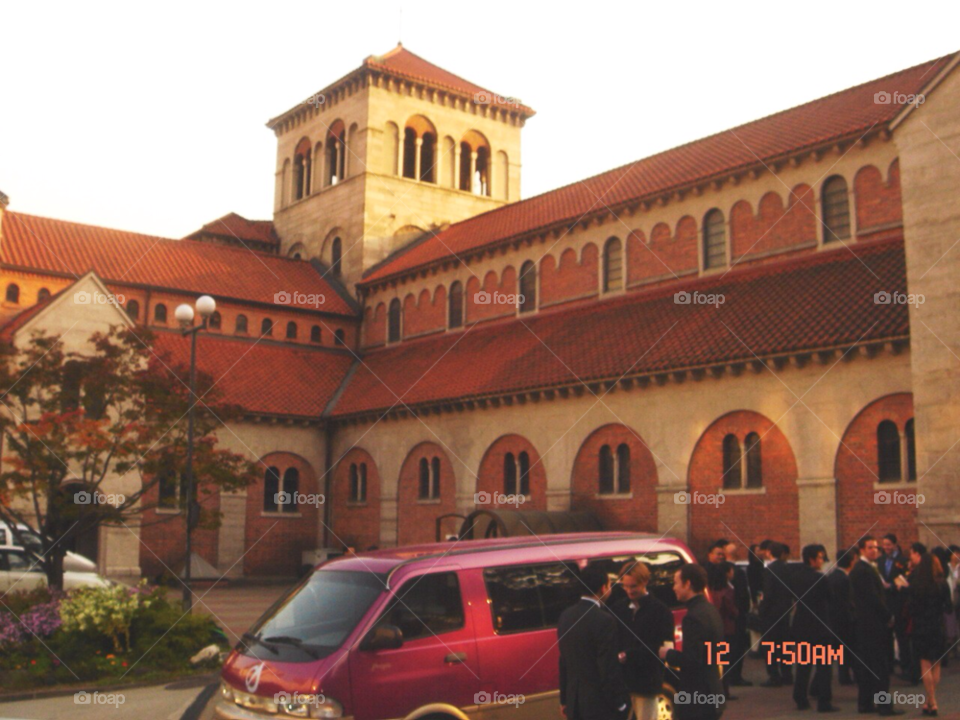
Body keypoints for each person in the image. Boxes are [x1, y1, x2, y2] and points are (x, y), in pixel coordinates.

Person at [558, 565, 631, 720]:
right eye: (610, 585)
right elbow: (607, 667)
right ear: (603, 588)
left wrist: (564, 699)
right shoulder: (604, 620)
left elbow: (563, 661)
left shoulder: (565, 616)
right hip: (599, 705)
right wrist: (619, 703)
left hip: (575, 702)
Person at [611, 561, 675, 720]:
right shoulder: (619, 609)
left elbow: (662, 649)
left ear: (644, 582)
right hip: (623, 683)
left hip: (647, 682)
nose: (629, 591)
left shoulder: (661, 611)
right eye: (625, 586)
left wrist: (629, 655)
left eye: (633, 586)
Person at [660, 564, 725, 720]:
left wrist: (667, 653)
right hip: (713, 689)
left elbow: (692, 660)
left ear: (687, 584)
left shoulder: (693, 617)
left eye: (676, 583)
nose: (673, 587)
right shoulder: (710, 610)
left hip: (698, 697)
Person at [850, 535, 901, 716]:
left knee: (868, 666)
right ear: (862, 550)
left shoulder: (865, 568)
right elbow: (873, 598)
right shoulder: (863, 570)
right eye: (870, 547)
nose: (875, 550)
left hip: (866, 625)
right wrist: (888, 615)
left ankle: (865, 703)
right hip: (872, 625)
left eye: (876, 547)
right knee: (879, 667)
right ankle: (884, 706)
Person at [789, 545, 839, 712]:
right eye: (819, 557)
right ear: (811, 559)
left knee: (803, 665)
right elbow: (831, 600)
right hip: (820, 626)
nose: (821, 561)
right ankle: (824, 702)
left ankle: (800, 698)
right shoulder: (820, 578)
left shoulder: (795, 577)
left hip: (801, 625)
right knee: (824, 666)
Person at [906, 544, 950, 717]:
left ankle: (931, 701)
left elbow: (911, 608)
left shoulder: (916, 583)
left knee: (925, 664)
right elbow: (948, 608)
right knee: (936, 665)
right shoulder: (942, 583)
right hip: (938, 626)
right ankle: (932, 701)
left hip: (921, 627)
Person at [758, 541, 794, 686]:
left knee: (771, 645)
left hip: (771, 613)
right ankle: (787, 674)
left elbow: (768, 593)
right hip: (785, 610)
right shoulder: (787, 569)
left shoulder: (769, 570)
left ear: (769, 552)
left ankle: (774, 675)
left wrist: (762, 610)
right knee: (785, 645)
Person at [721, 540, 753, 686]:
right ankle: (736, 676)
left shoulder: (718, 569)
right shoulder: (739, 572)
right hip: (737, 616)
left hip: (724, 617)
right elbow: (744, 595)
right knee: (737, 648)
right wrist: (743, 611)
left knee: (726, 648)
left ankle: (727, 676)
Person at [828, 545, 859, 686]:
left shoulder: (832, 576)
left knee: (839, 651)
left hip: (833, 619)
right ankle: (847, 675)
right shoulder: (845, 579)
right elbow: (847, 601)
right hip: (844, 620)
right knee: (848, 649)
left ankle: (844, 675)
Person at [880, 533, 910, 677]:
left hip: (898, 602)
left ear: (895, 544)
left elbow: (904, 579)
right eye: (884, 544)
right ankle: (888, 665)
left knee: (901, 635)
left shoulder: (903, 561)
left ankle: (905, 666)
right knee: (886, 636)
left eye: (888, 544)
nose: (886, 547)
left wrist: (891, 585)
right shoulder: (880, 560)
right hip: (885, 603)